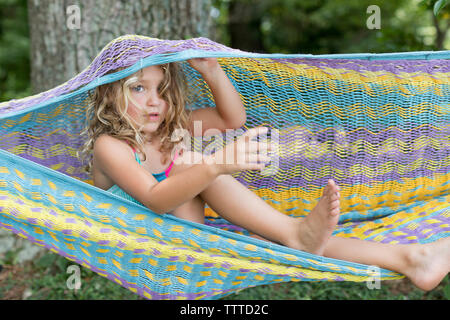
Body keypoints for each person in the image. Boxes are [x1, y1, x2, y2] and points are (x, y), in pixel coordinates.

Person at [80, 57, 449, 292]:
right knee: (195, 162)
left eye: (161, 89)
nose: (154, 101)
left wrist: (212, 69)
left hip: (196, 242)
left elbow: (232, 120)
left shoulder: (171, 129)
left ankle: (413, 259)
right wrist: (215, 164)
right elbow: (155, 199)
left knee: (281, 240)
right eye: (139, 88)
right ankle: (295, 233)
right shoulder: (110, 146)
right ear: (109, 95)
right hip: (152, 249)